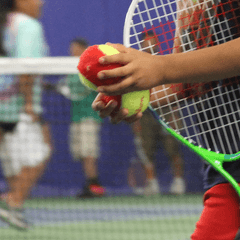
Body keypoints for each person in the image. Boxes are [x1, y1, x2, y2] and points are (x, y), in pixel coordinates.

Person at [92, 1, 240, 239]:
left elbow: (169, 70)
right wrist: (132, 92)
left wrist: (161, 67)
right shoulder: (188, 5)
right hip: (227, 175)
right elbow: (185, 81)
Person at [0, 0, 52, 230]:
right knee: (39, 156)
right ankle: (12, 200)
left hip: (4, 107)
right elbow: (26, 67)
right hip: (18, 107)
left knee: (14, 163)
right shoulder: (28, 25)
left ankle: (15, 209)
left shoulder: (6, 23)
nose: (41, 2)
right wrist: (29, 103)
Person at [45, 37, 105, 199]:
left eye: (75, 48)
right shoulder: (72, 67)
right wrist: (50, 86)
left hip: (90, 116)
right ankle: (91, 183)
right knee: (81, 153)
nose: (72, 51)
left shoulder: (89, 66)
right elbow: (65, 87)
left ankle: (95, 186)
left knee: (88, 152)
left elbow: (82, 89)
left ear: (82, 49)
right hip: (76, 117)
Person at [129, 32, 186, 196]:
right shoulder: (136, 66)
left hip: (167, 111)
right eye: (146, 42)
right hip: (145, 114)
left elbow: (175, 89)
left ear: (156, 43)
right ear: (141, 44)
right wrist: (135, 120)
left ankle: (178, 182)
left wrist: (174, 114)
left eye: (152, 42)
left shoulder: (164, 63)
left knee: (173, 149)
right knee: (146, 151)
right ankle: (151, 183)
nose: (149, 45)